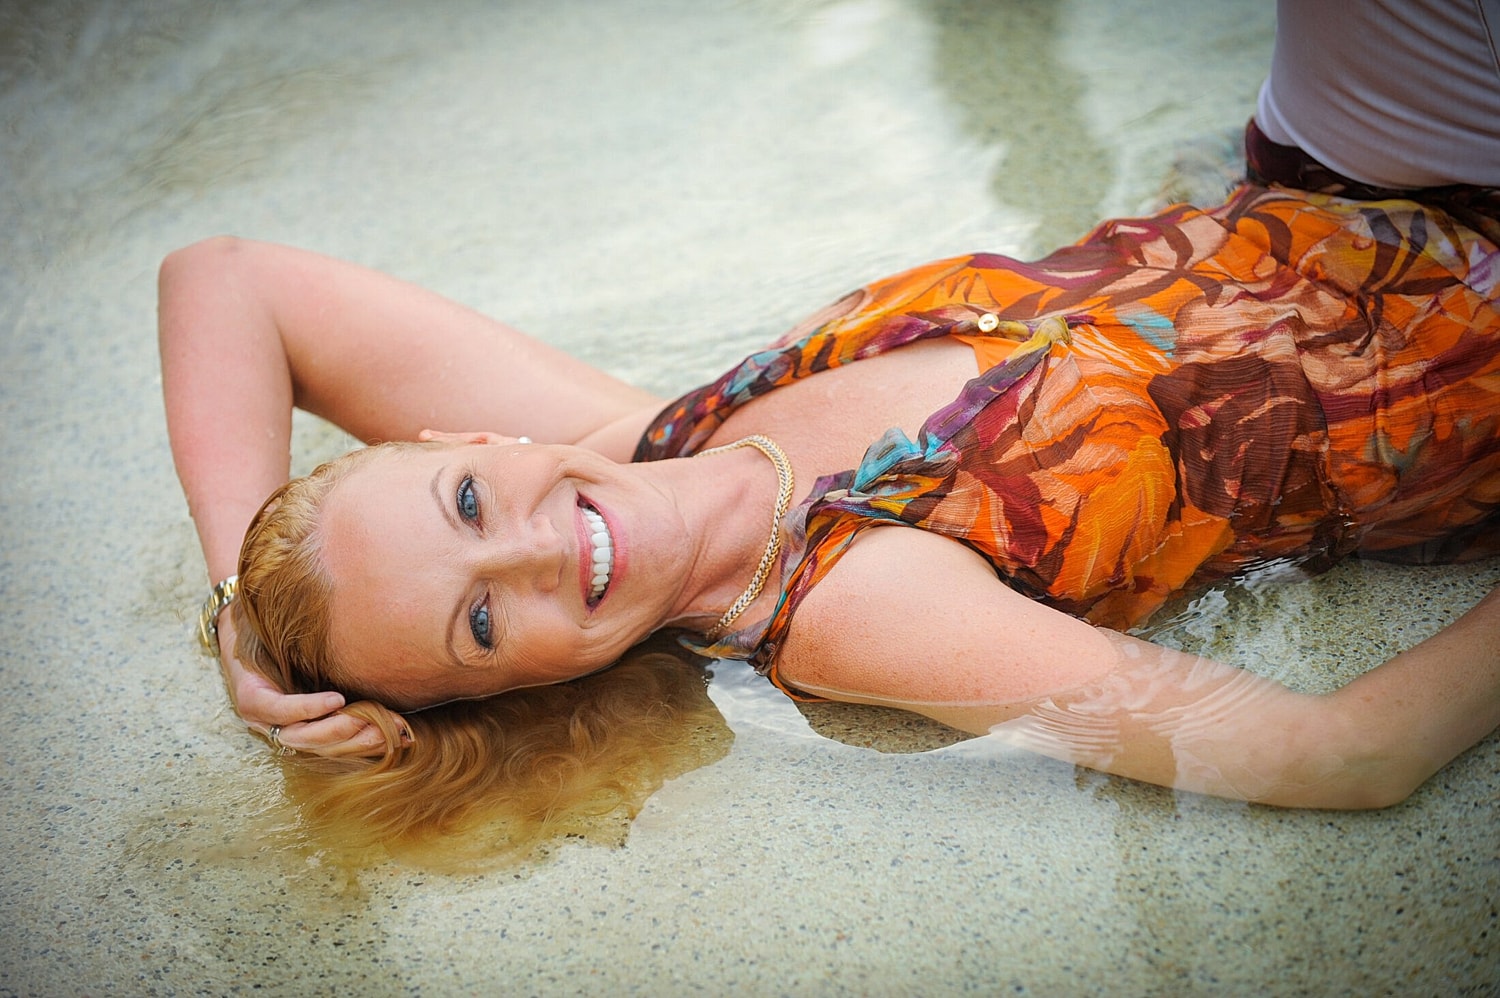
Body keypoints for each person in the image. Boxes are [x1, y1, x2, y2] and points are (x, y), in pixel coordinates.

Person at [160, 1, 1500, 849]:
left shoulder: (652, 441)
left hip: (1339, 178)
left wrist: (242, 611)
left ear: (482, 444)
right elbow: (1348, 756)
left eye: (463, 506)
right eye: (484, 624)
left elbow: (225, 279)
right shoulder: (854, 606)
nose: (530, 552)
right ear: (532, 686)